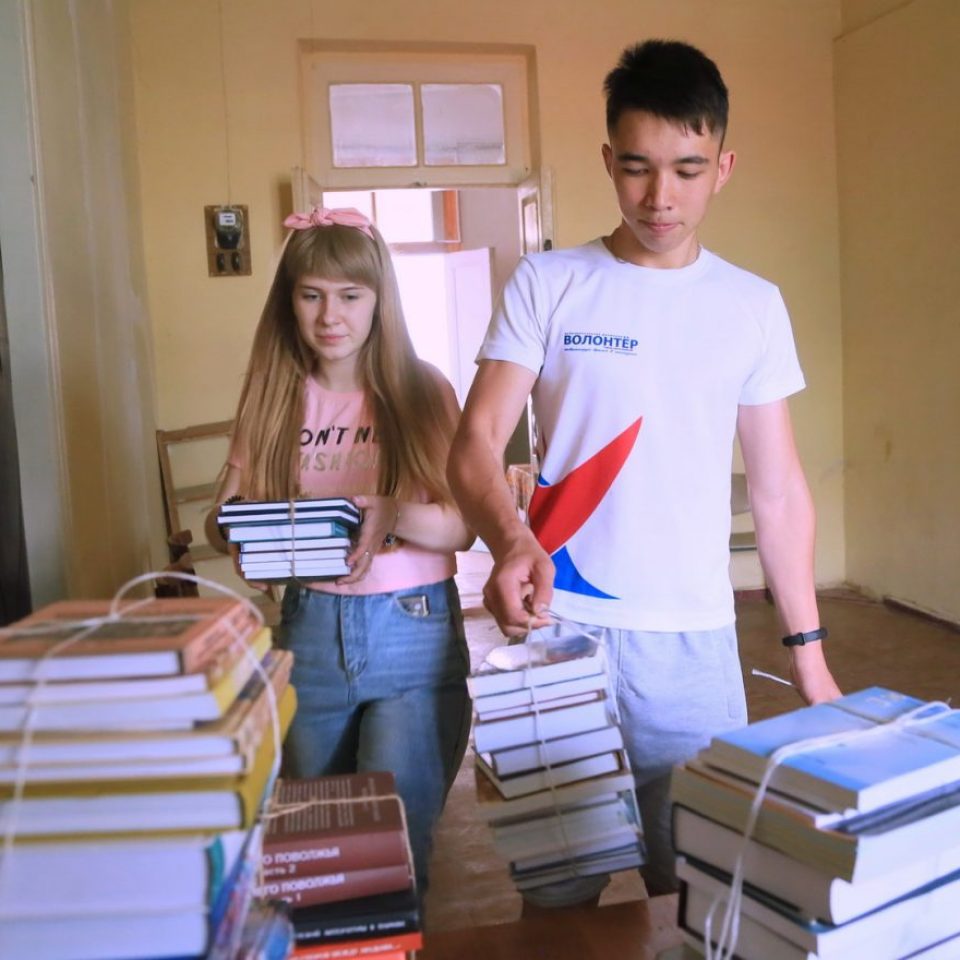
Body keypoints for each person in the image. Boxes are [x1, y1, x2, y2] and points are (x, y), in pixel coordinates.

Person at [446, 39, 842, 907]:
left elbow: (777, 492)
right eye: (636, 168)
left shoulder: (752, 306)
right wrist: (509, 540)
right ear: (607, 161)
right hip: (559, 634)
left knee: (702, 897)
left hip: (693, 653)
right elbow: (475, 441)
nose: (661, 197)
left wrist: (808, 656)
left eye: (687, 170)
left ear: (723, 167)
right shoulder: (550, 282)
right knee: (556, 904)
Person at [206, 205, 474, 897]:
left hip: (412, 631)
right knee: (325, 853)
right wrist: (241, 532)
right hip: (309, 631)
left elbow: (462, 527)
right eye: (312, 295)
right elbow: (220, 518)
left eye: (351, 295)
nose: (331, 316)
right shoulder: (271, 397)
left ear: (379, 300)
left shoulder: (422, 391)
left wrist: (393, 515)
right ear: (289, 302)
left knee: (393, 852)